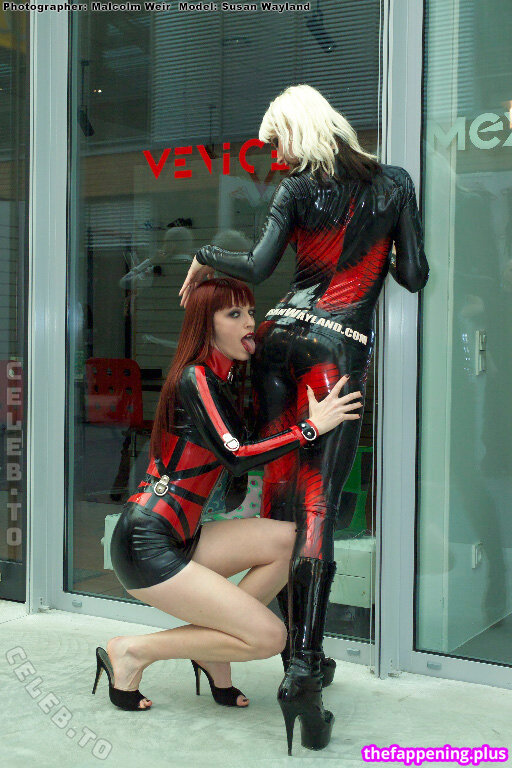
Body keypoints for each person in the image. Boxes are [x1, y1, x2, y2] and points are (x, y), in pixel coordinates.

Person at [179, 83, 430, 754]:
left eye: (279, 141)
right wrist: (381, 249)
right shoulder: (395, 183)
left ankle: (299, 651)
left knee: (282, 495)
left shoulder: (295, 190)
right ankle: (302, 671)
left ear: (301, 130)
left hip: (277, 339)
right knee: (316, 508)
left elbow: (258, 266)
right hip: (333, 347)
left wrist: (204, 255)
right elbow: (415, 276)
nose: (278, 155)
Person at [93, 276, 363, 719]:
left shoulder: (223, 382)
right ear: (207, 324)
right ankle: (133, 651)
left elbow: (252, 445)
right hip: (146, 544)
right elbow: (237, 456)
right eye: (234, 314)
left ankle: (212, 650)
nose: (249, 323)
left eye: (250, 312)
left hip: (183, 537)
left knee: (291, 539)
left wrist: (307, 416)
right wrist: (311, 428)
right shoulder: (195, 377)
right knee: (270, 638)